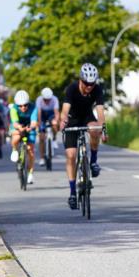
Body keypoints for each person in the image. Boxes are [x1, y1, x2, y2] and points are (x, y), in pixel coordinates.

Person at [58, 63, 106, 209]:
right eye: (86, 83)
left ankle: (93, 161)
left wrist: (103, 129)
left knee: (95, 129)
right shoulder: (72, 88)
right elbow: (65, 110)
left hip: (86, 116)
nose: (89, 86)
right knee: (71, 155)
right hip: (72, 120)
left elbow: (100, 112)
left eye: (92, 83)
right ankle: (72, 193)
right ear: (81, 80)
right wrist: (63, 120)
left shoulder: (97, 90)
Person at [9, 90, 39, 184]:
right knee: (17, 137)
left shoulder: (33, 107)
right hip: (18, 126)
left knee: (30, 151)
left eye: (25, 105)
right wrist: (19, 128)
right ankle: (14, 150)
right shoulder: (13, 109)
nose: (23, 107)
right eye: (20, 106)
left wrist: (31, 127)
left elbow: (34, 122)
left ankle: (30, 173)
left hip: (29, 127)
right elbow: (14, 123)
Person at [36, 87, 60, 166]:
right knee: (41, 138)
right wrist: (39, 124)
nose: (47, 101)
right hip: (42, 115)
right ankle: (42, 158)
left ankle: (54, 139)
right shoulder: (39, 100)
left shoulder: (55, 99)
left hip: (51, 114)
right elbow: (39, 113)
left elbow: (56, 113)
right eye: (45, 100)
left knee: (55, 124)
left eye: (48, 99)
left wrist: (56, 121)